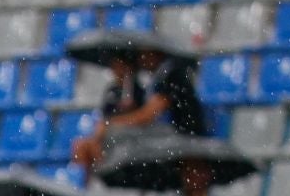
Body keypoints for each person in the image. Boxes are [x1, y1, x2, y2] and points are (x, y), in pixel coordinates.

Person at [72, 48, 210, 172]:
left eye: (144, 53)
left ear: (154, 52)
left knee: (115, 137)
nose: (140, 59)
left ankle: (105, 174)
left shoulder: (172, 74)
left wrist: (110, 124)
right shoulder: (158, 77)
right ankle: (94, 176)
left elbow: (148, 115)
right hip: (166, 133)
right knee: (89, 144)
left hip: (182, 134)